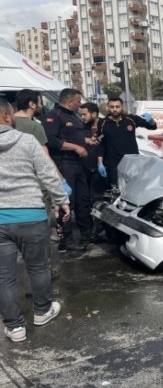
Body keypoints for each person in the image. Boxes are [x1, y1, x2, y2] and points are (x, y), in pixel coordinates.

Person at [0, 99, 69, 342]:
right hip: (31, 214)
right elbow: (48, 174)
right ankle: (42, 311)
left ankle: (15, 327)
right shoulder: (27, 141)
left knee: (4, 276)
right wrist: (62, 200)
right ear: (8, 116)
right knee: (38, 267)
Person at [42, 88, 92, 250]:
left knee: (83, 200)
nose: (80, 104)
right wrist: (76, 147)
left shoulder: (73, 116)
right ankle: (66, 240)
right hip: (65, 163)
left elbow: (73, 135)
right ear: (69, 101)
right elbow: (51, 141)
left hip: (79, 164)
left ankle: (86, 234)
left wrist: (86, 141)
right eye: (78, 101)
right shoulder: (54, 116)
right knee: (67, 203)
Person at [98, 97, 156, 188]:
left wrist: (150, 120)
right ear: (108, 108)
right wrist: (100, 163)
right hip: (113, 164)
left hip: (132, 163)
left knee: (134, 188)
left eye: (117, 107)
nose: (115, 109)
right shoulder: (102, 123)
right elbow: (101, 144)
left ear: (122, 107)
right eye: (112, 107)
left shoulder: (131, 119)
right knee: (116, 190)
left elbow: (152, 127)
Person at [79, 102, 106, 206]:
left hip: (102, 167)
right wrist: (85, 140)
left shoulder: (105, 125)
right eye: (81, 115)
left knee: (100, 198)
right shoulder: (81, 126)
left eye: (84, 114)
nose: (82, 117)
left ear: (94, 114)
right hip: (86, 167)